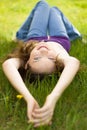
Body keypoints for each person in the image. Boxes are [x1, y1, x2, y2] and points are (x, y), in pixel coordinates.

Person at [2, 0, 81, 127]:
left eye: (37, 59)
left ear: (26, 64)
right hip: (59, 37)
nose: (43, 50)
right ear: (59, 64)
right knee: (54, 10)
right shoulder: (61, 58)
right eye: (51, 58)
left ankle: (20, 35)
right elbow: (74, 62)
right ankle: (75, 35)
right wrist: (53, 96)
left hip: (35, 38)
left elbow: (8, 64)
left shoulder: (27, 55)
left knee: (43, 4)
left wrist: (28, 97)